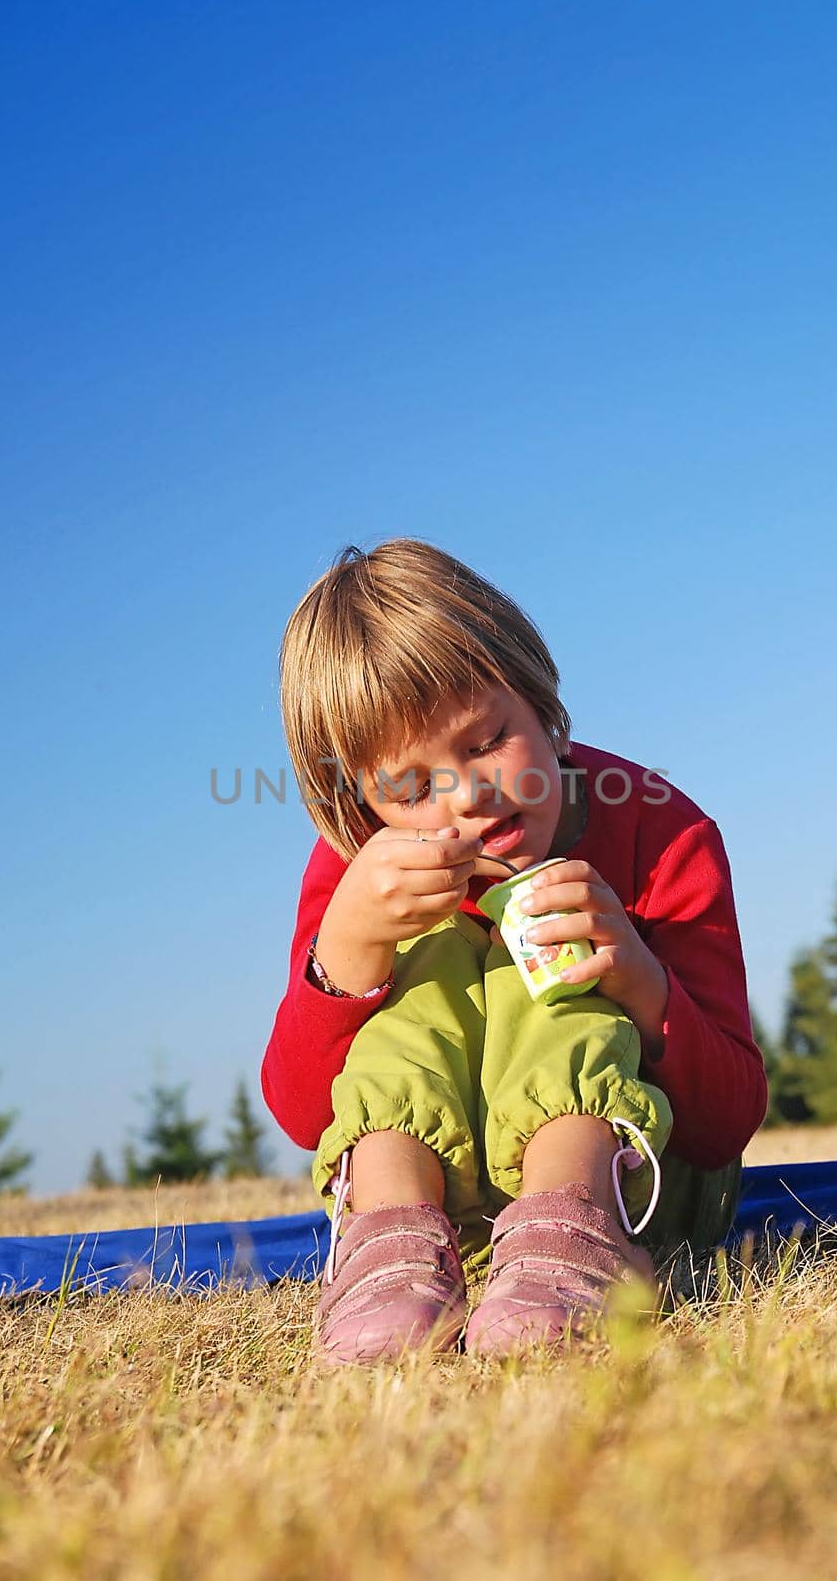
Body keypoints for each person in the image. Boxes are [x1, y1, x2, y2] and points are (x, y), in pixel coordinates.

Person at [263, 538, 767, 1363]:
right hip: (447, 1231)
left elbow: (727, 1122)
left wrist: (638, 979)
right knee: (428, 962)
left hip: (639, 1197)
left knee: (542, 955)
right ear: (355, 802)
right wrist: (349, 947)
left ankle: (569, 1228)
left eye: (487, 740)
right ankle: (388, 1253)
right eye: (411, 788)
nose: (468, 795)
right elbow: (300, 1113)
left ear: (540, 702)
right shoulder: (359, 866)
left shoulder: (660, 828)